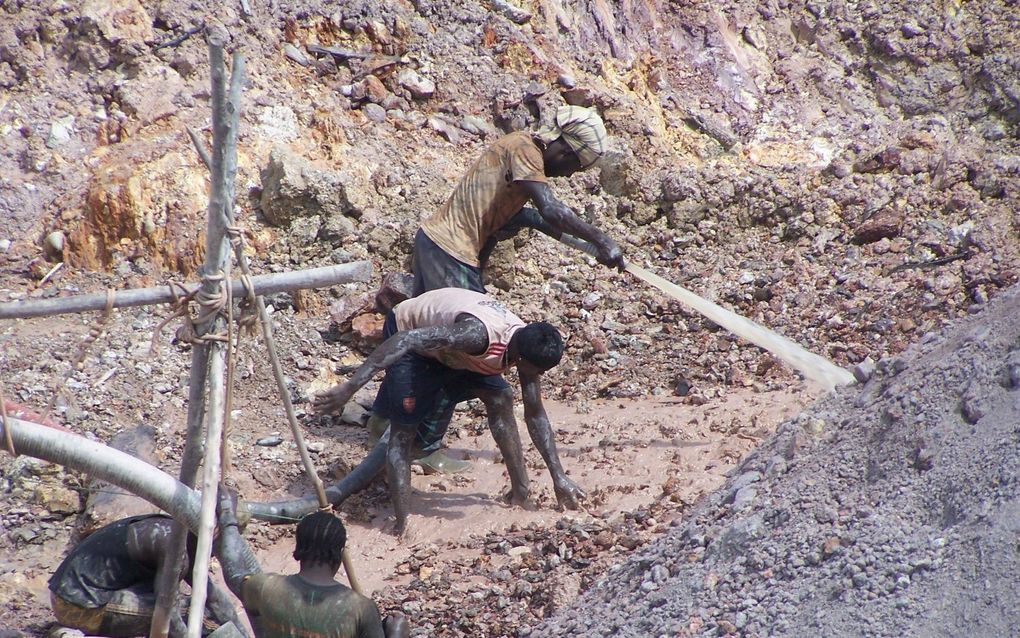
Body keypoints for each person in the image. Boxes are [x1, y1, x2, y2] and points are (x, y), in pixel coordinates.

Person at [399, 105, 625, 474]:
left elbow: (531, 216)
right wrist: (602, 239)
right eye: (574, 166)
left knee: (426, 340)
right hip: (451, 252)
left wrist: (588, 247)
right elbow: (549, 208)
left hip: (437, 244)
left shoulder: (519, 157)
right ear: (564, 149)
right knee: (456, 357)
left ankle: (385, 419)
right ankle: (423, 446)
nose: (569, 174)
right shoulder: (525, 151)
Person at [312, 288, 585, 537]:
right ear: (523, 360)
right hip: (413, 340)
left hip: (452, 353)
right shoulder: (475, 336)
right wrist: (350, 387)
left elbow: (535, 413)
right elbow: (406, 339)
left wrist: (558, 476)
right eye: (538, 371)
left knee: (501, 397)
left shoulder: (525, 345)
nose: (538, 376)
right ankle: (403, 524)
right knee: (403, 433)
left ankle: (520, 493)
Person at [215, 489, 408, 638]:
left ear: (298, 549)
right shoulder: (361, 608)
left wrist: (227, 515)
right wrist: (396, 633)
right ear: (339, 555)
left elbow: (234, 573)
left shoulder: (265, 587)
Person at [47, 514, 242, 638]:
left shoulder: (179, 531)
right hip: (80, 607)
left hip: (74, 595)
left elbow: (212, 595)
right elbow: (167, 614)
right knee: (196, 614)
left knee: (204, 608)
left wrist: (243, 632)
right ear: (213, 533)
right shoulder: (176, 549)